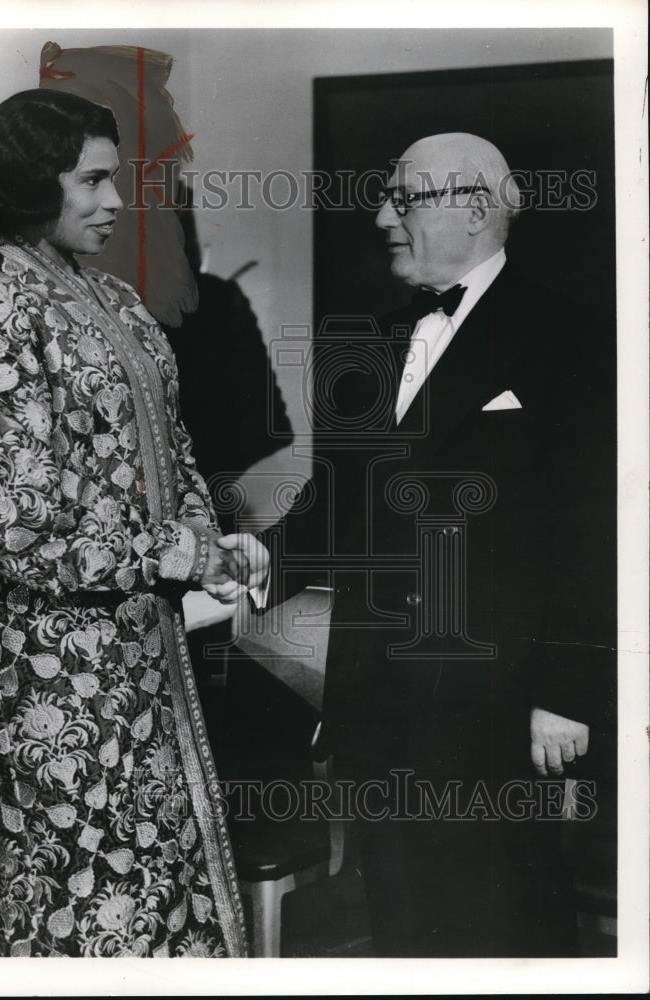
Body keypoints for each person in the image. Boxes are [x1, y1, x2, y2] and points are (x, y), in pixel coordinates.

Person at [212, 133, 616, 957]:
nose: (381, 214)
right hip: (376, 699)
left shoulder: (574, 336)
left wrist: (568, 690)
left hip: (500, 707)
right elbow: (338, 507)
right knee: (402, 925)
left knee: (507, 923)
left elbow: (595, 527)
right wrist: (264, 559)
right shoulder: (370, 341)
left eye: (405, 197)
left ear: (474, 209)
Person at [0, 88, 248, 958]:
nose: (114, 201)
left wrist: (203, 541)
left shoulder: (116, 302)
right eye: (91, 181)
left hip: (141, 652)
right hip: (55, 672)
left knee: (161, 877)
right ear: (30, 184)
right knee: (87, 887)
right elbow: (3, 518)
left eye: (118, 178)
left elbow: (174, 449)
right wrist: (161, 551)